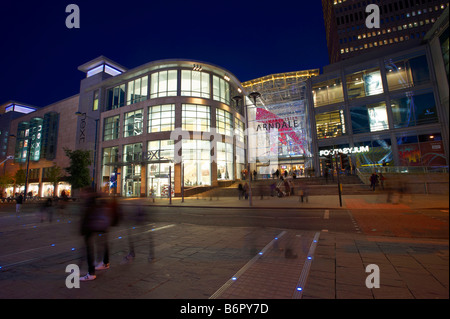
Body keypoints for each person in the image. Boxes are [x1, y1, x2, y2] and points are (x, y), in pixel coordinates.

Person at [79, 189, 113, 281]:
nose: (81, 193)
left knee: (90, 249)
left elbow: (87, 217)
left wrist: (83, 230)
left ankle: (91, 273)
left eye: (83, 192)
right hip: (100, 227)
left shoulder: (90, 202)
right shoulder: (97, 200)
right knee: (101, 244)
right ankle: (105, 263)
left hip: (91, 228)